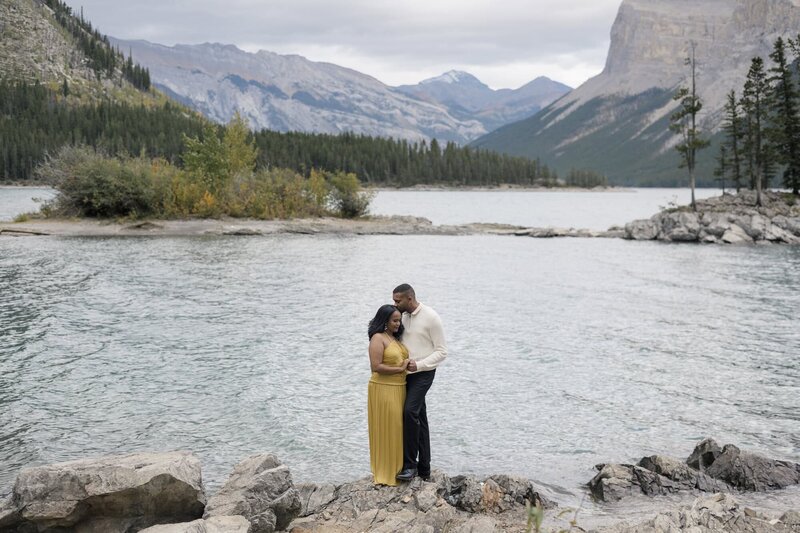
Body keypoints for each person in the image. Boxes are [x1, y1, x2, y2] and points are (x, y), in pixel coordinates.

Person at [392, 284, 447, 482]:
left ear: (409, 298)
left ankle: (410, 466)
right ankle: (424, 469)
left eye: (398, 300)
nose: (395, 304)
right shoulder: (402, 317)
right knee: (420, 419)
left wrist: (420, 365)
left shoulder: (431, 317)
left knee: (409, 412)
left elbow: (442, 351)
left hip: (424, 374)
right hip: (405, 375)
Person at [367, 304, 410, 486]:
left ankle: (398, 470)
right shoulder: (378, 338)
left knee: (399, 429)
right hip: (383, 388)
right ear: (384, 321)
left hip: (400, 388)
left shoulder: (395, 338)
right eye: (394, 320)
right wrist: (400, 368)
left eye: (399, 320)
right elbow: (376, 366)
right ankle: (385, 473)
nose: (398, 324)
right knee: (389, 427)